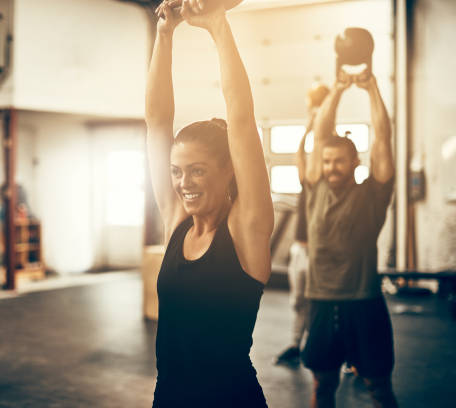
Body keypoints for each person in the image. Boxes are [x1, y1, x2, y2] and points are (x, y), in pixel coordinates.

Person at [145, 0, 274, 406]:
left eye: (198, 171)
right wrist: (164, 35)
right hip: (168, 397)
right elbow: (157, 120)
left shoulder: (246, 230)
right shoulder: (177, 221)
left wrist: (218, 25)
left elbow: (241, 118)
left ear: (228, 171)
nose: (184, 183)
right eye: (177, 171)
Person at [298, 72, 398, 408]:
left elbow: (383, 138)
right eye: (326, 161)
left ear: (355, 162)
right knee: (323, 385)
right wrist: (337, 90)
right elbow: (322, 133)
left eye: (339, 161)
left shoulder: (373, 193)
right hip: (321, 300)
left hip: (363, 300)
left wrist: (371, 88)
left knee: (378, 386)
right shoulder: (316, 189)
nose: (331, 167)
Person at [276, 83, 329, 367]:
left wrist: (321, 121)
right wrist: (309, 125)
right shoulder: (307, 181)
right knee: (298, 302)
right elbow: (300, 154)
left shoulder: (327, 183)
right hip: (300, 250)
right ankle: (296, 344)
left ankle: (341, 355)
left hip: (322, 253)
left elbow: (322, 147)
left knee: (326, 305)